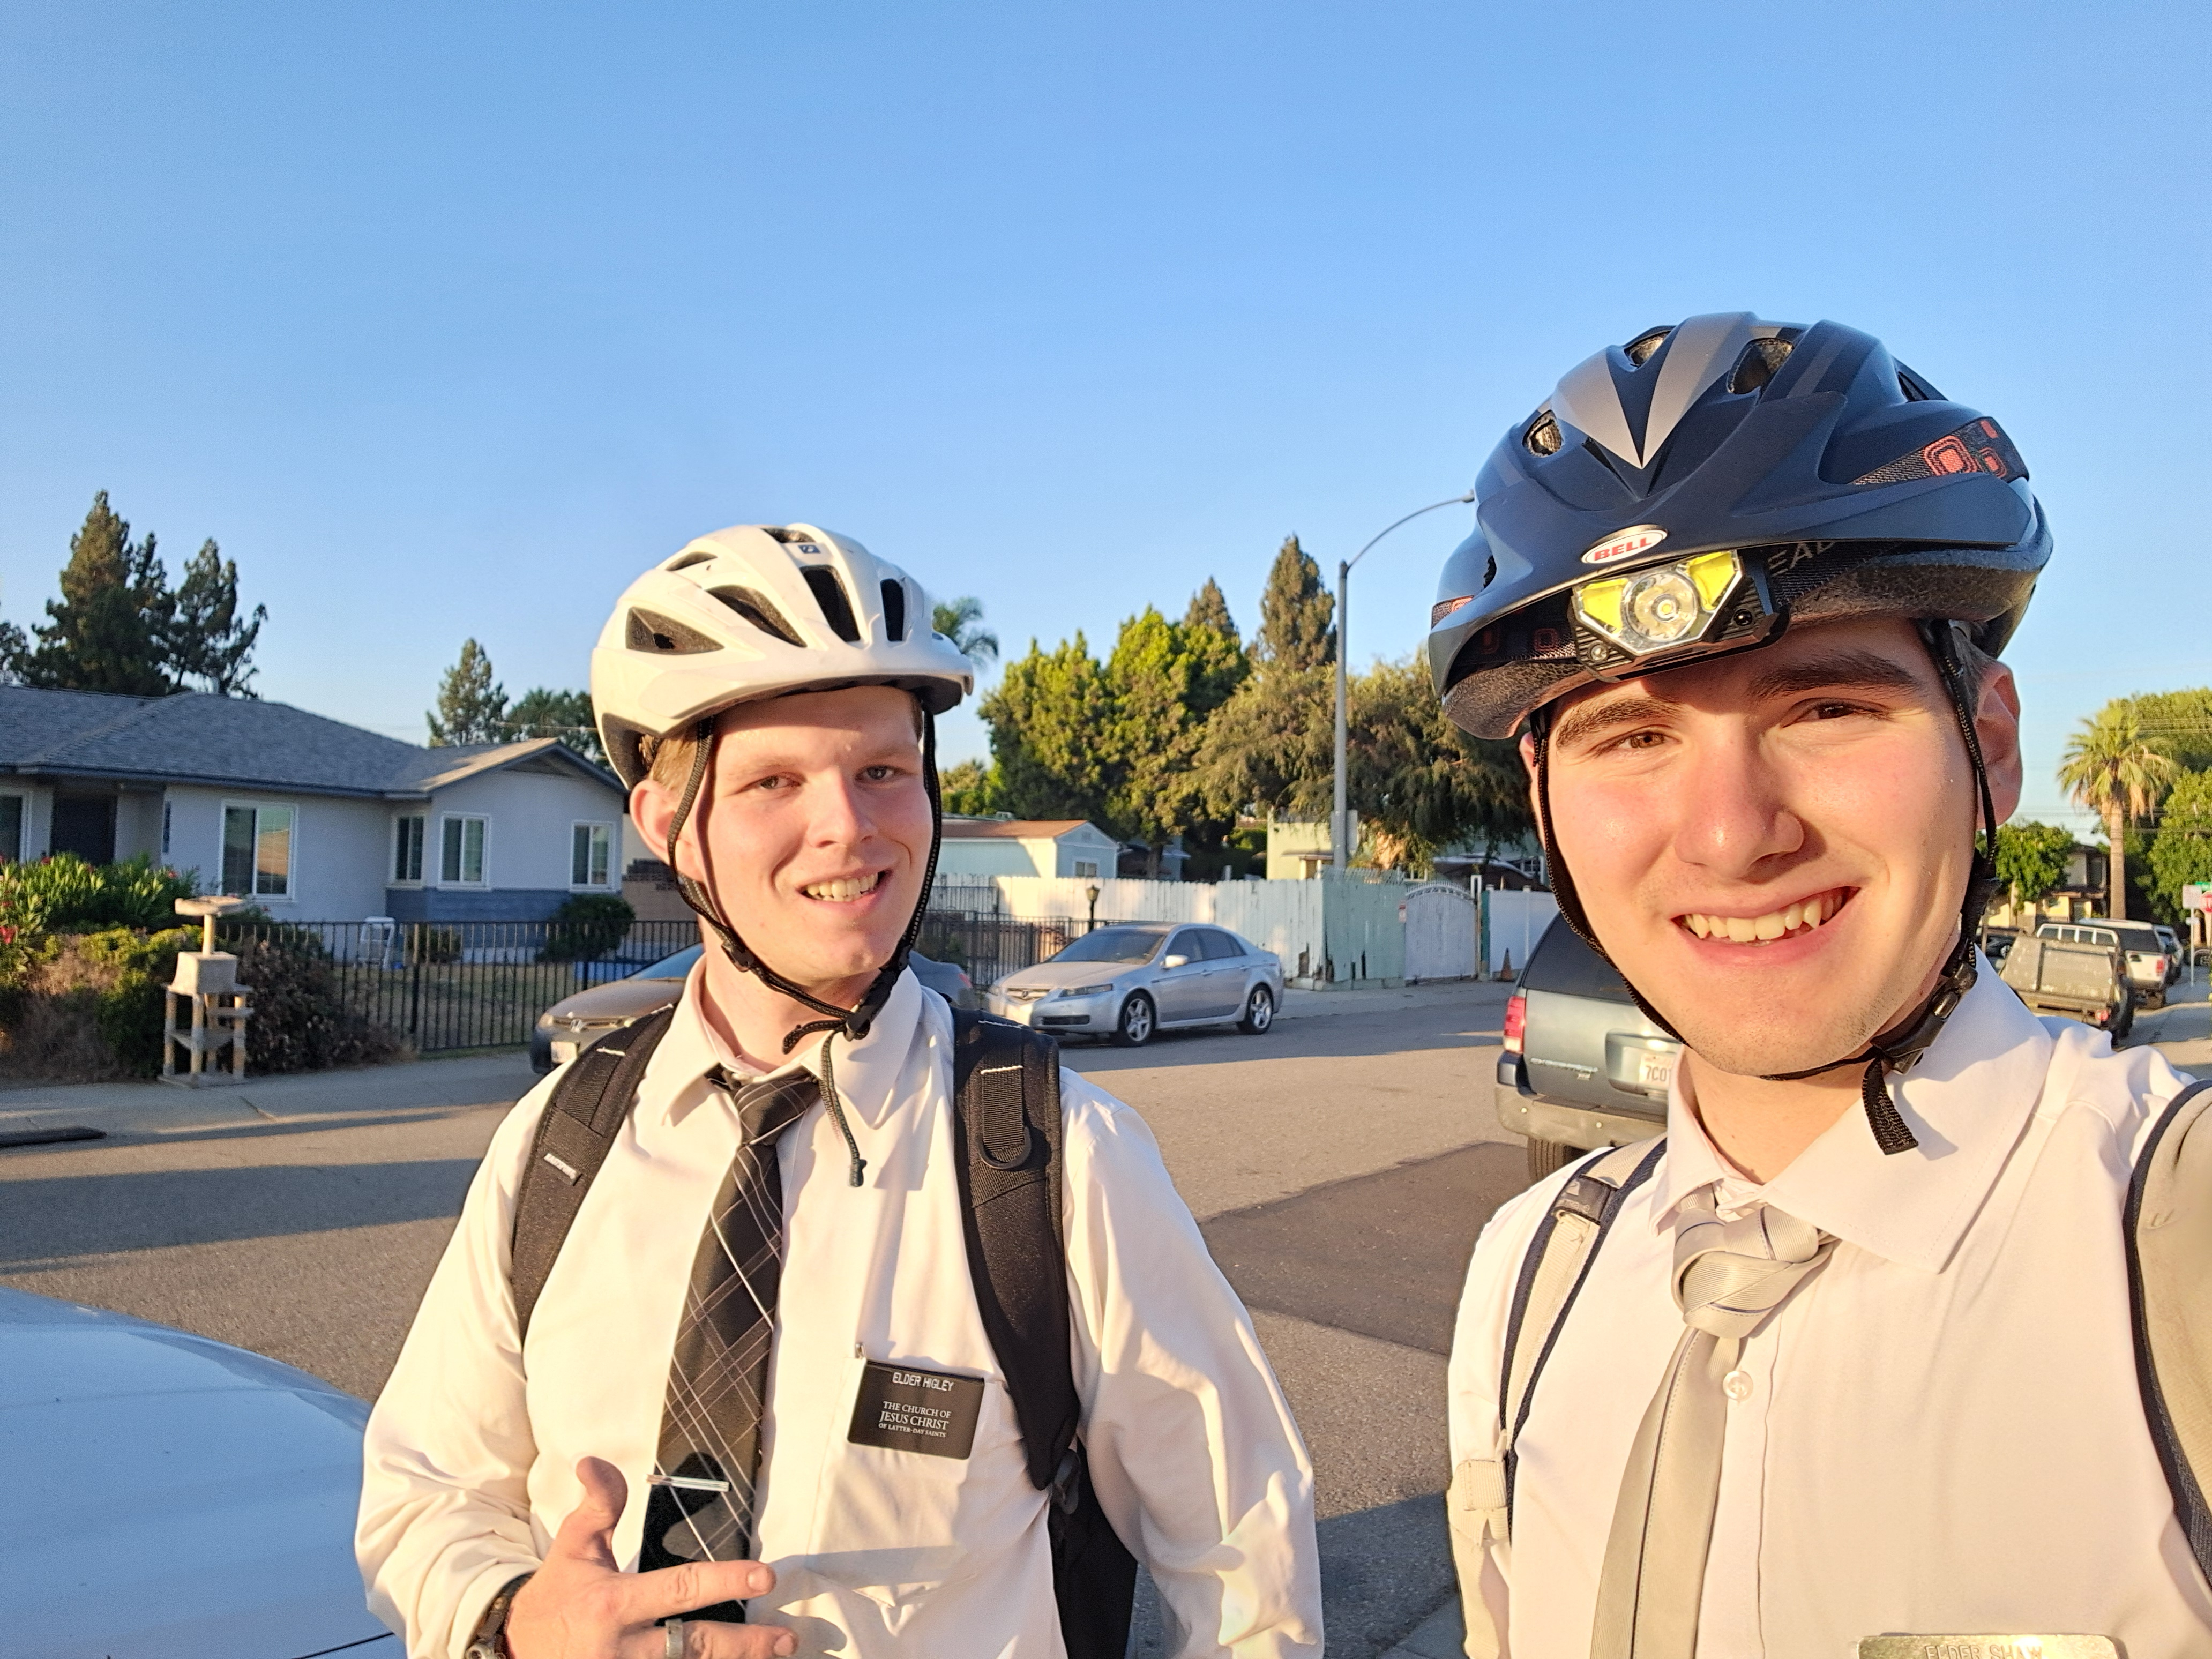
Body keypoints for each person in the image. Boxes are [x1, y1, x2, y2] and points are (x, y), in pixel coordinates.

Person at [358, 524, 1322, 1658]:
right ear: (668, 827)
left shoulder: (1055, 1154)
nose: (849, 828)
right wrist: (514, 1618)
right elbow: (422, 1489)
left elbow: (1245, 1559)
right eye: (775, 781)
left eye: (883, 772)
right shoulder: (560, 1144)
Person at [1427, 315, 2212, 1657]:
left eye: (1824, 709)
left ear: (1992, 748)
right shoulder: (1528, 1281)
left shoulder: (2173, 1250)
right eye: (1632, 734)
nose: (1731, 834)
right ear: (1544, 809)